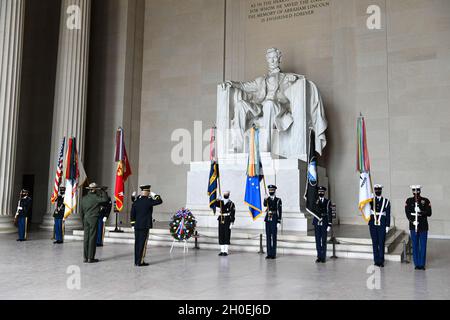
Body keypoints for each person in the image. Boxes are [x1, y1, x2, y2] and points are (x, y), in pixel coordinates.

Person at [130, 185, 163, 267]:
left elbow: (132, 213)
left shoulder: (136, 201)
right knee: (142, 244)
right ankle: (140, 262)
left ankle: (136, 261)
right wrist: (155, 195)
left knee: (137, 243)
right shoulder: (149, 201)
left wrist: (133, 224)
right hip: (145, 226)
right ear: (148, 192)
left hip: (137, 225)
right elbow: (159, 201)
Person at [405, 185, 432, 270]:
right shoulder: (409, 201)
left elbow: (429, 213)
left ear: (420, 191)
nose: (416, 193)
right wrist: (413, 221)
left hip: (423, 226)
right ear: (412, 191)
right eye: (414, 191)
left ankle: (422, 264)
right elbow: (407, 213)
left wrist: (421, 211)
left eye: (417, 191)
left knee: (423, 245)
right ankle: (417, 264)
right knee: (415, 245)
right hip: (413, 226)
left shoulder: (425, 200)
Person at [80, 183, 108, 263]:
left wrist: (83, 221)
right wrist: (103, 191)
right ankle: (90, 258)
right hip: (93, 218)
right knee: (92, 238)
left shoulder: (84, 198)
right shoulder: (96, 197)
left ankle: (85, 257)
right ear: (95, 189)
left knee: (86, 238)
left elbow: (81, 212)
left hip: (85, 218)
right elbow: (105, 199)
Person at [369, 184, 391, 267]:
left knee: (381, 242)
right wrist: (369, 199)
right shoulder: (371, 200)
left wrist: (387, 225)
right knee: (374, 242)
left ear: (381, 191)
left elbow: (388, 214)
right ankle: (376, 260)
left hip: (382, 224)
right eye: (376, 190)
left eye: (379, 190)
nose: (377, 191)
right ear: (374, 191)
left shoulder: (386, 201)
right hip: (372, 224)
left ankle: (381, 260)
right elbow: (366, 207)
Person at [313, 186, 332, 263]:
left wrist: (329, 224)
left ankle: (323, 257)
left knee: (323, 240)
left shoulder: (328, 202)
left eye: (322, 192)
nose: (320, 193)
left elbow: (329, 213)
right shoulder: (315, 201)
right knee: (317, 240)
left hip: (324, 222)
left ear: (324, 192)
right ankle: (319, 256)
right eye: (319, 191)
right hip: (317, 222)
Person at [263, 185, 282, 259]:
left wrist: (279, 221)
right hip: (268, 219)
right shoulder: (267, 199)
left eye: (272, 190)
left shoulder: (278, 200)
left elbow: (279, 211)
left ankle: (273, 253)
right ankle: (269, 253)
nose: (270, 191)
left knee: (273, 236)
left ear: (274, 191)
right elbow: (264, 205)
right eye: (269, 190)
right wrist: (265, 199)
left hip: (274, 218)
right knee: (268, 236)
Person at [215, 191, 236, 256]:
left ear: (228, 195)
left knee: (227, 234)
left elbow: (233, 213)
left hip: (227, 219)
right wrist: (218, 199)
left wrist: (232, 222)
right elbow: (215, 204)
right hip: (221, 218)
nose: (225, 195)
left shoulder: (231, 203)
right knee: (221, 233)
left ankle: (226, 251)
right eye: (224, 194)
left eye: (226, 194)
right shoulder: (221, 202)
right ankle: (222, 250)